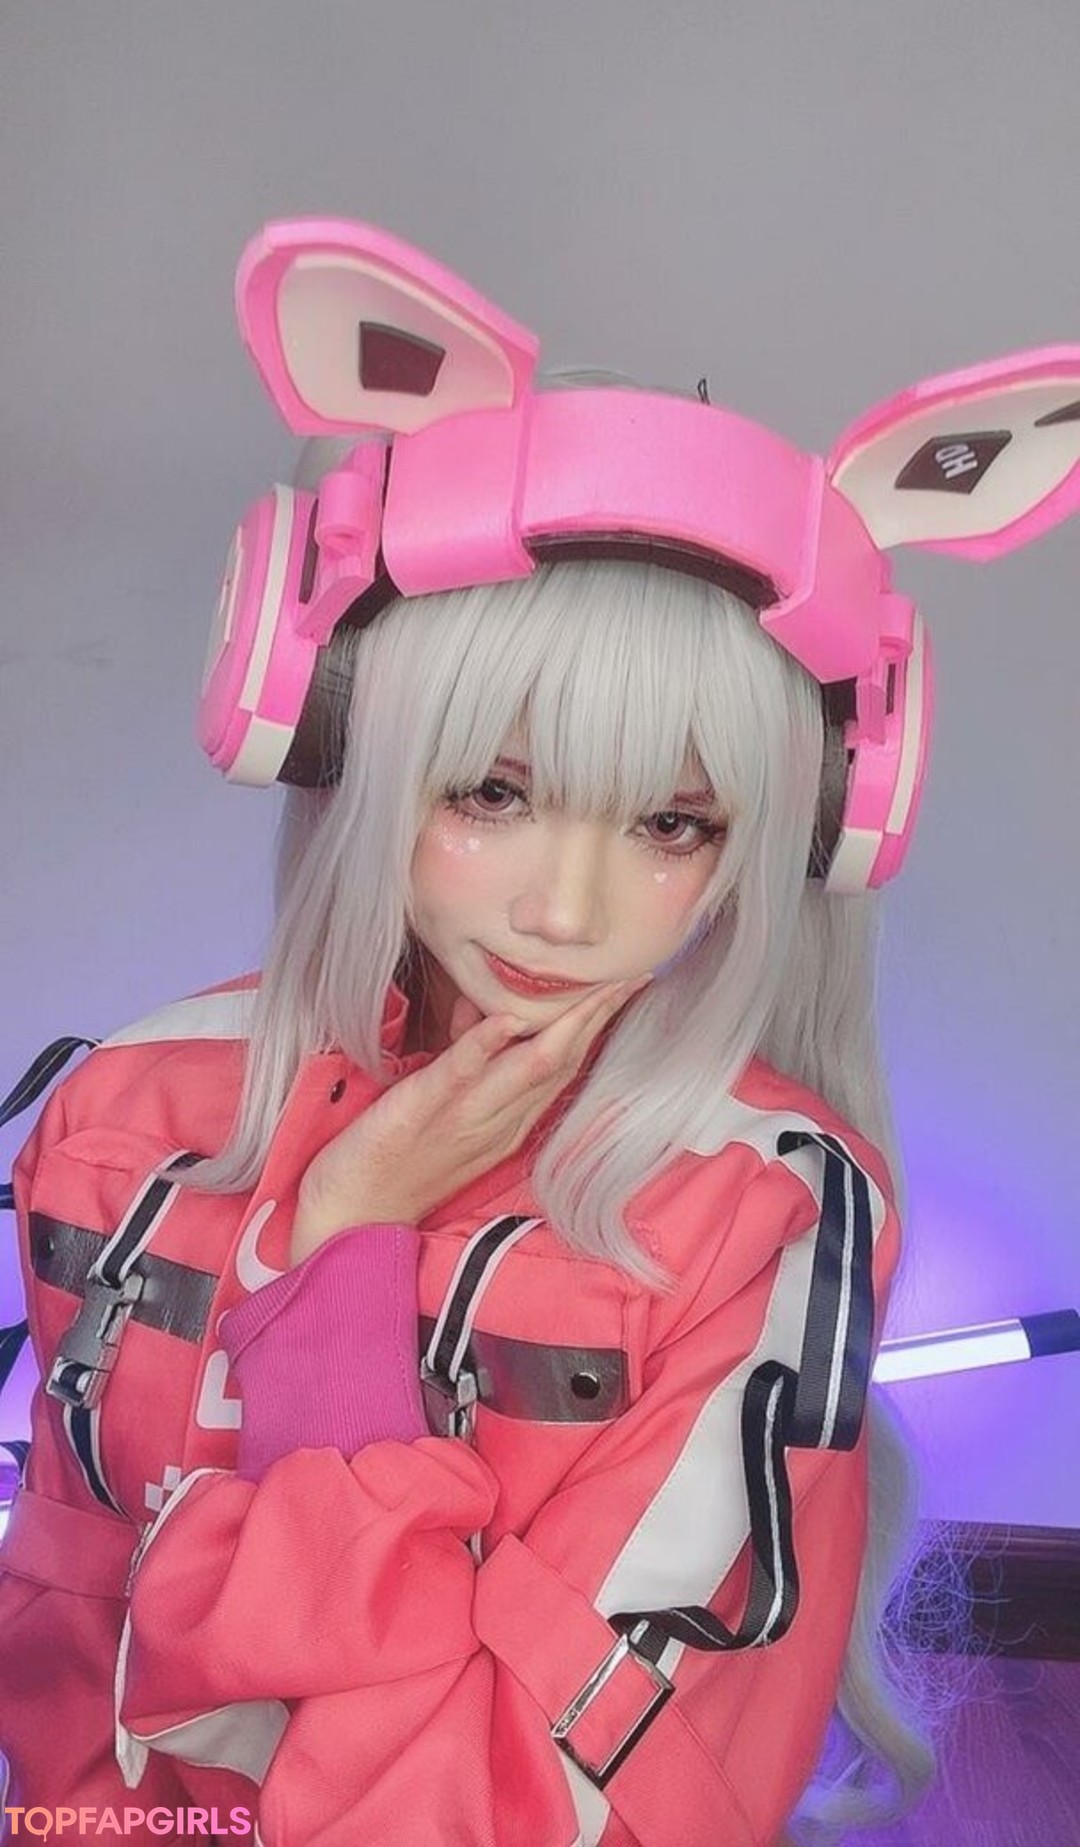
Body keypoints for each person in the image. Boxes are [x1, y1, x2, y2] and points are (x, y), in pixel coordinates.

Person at [2, 220, 1077, 1847]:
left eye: (671, 824)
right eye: (492, 793)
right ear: (338, 737)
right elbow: (70, 1643)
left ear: (801, 831)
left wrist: (340, 1265)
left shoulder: (763, 1216)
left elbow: (514, 1809)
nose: (569, 910)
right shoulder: (128, 1114)